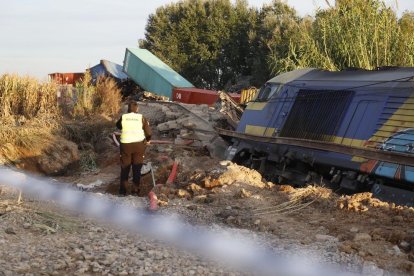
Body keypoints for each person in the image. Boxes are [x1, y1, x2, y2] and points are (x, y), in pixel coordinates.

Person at [116, 101, 152, 196]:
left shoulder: (124, 117)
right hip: (139, 145)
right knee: (136, 168)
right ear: (137, 109)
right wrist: (148, 140)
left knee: (125, 168)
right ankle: (135, 191)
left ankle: (122, 192)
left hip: (125, 145)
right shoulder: (141, 118)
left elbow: (118, 126)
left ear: (128, 109)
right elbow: (149, 133)